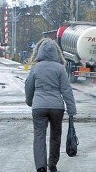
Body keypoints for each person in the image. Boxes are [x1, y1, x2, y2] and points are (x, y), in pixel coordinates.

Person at [25, 38, 77, 172]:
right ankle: (52, 165)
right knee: (55, 136)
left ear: (39, 52)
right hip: (56, 107)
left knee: (39, 136)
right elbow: (66, 90)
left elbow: (29, 86)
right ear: (56, 53)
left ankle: (41, 167)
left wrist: (30, 102)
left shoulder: (35, 68)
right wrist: (71, 109)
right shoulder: (60, 68)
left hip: (39, 107)